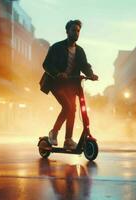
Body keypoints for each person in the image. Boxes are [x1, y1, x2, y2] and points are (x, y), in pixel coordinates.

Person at [39, 20, 98, 150]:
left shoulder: (80, 51)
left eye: (78, 31)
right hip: (56, 83)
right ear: (67, 31)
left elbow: (84, 65)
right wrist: (58, 74)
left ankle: (68, 140)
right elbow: (46, 64)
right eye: (73, 30)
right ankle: (54, 132)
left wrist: (91, 75)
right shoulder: (56, 47)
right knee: (67, 107)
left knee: (73, 110)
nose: (76, 33)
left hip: (71, 84)